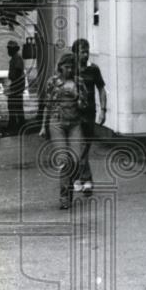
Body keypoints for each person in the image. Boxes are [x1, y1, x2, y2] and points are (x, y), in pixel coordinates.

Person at [39, 53, 87, 209]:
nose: (69, 70)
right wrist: (43, 126)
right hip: (57, 122)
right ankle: (64, 196)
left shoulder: (78, 82)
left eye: (72, 67)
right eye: (66, 67)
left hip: (74, 123)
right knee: (64, 160)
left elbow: (84, 105)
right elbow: (47, 104)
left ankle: (70, 187)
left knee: (77, 160)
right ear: (60, 67)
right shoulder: (53, 82)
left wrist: (76, 95)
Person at [71, 39, 106, 194]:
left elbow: (101, 89)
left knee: (85, 145)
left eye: (87, 51)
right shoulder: (69, 70)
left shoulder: (93, 69)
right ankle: (86, 179)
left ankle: (79, 178)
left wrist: (103, 109)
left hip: (89, 113)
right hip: (74, 113)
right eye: (82, 52)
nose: (85, 55)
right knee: (80, 146)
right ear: (75, 53)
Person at [5, 40, 25, 134]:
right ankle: (14, 123)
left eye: (9, 49)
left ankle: (17, 125)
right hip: (15, 86)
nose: (8, 51)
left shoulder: (17, 58)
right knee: (14, 105)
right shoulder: (14, 58)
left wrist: (14, 85)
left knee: (15, 105)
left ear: (14, 49)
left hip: (17, 86)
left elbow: (17, 71)